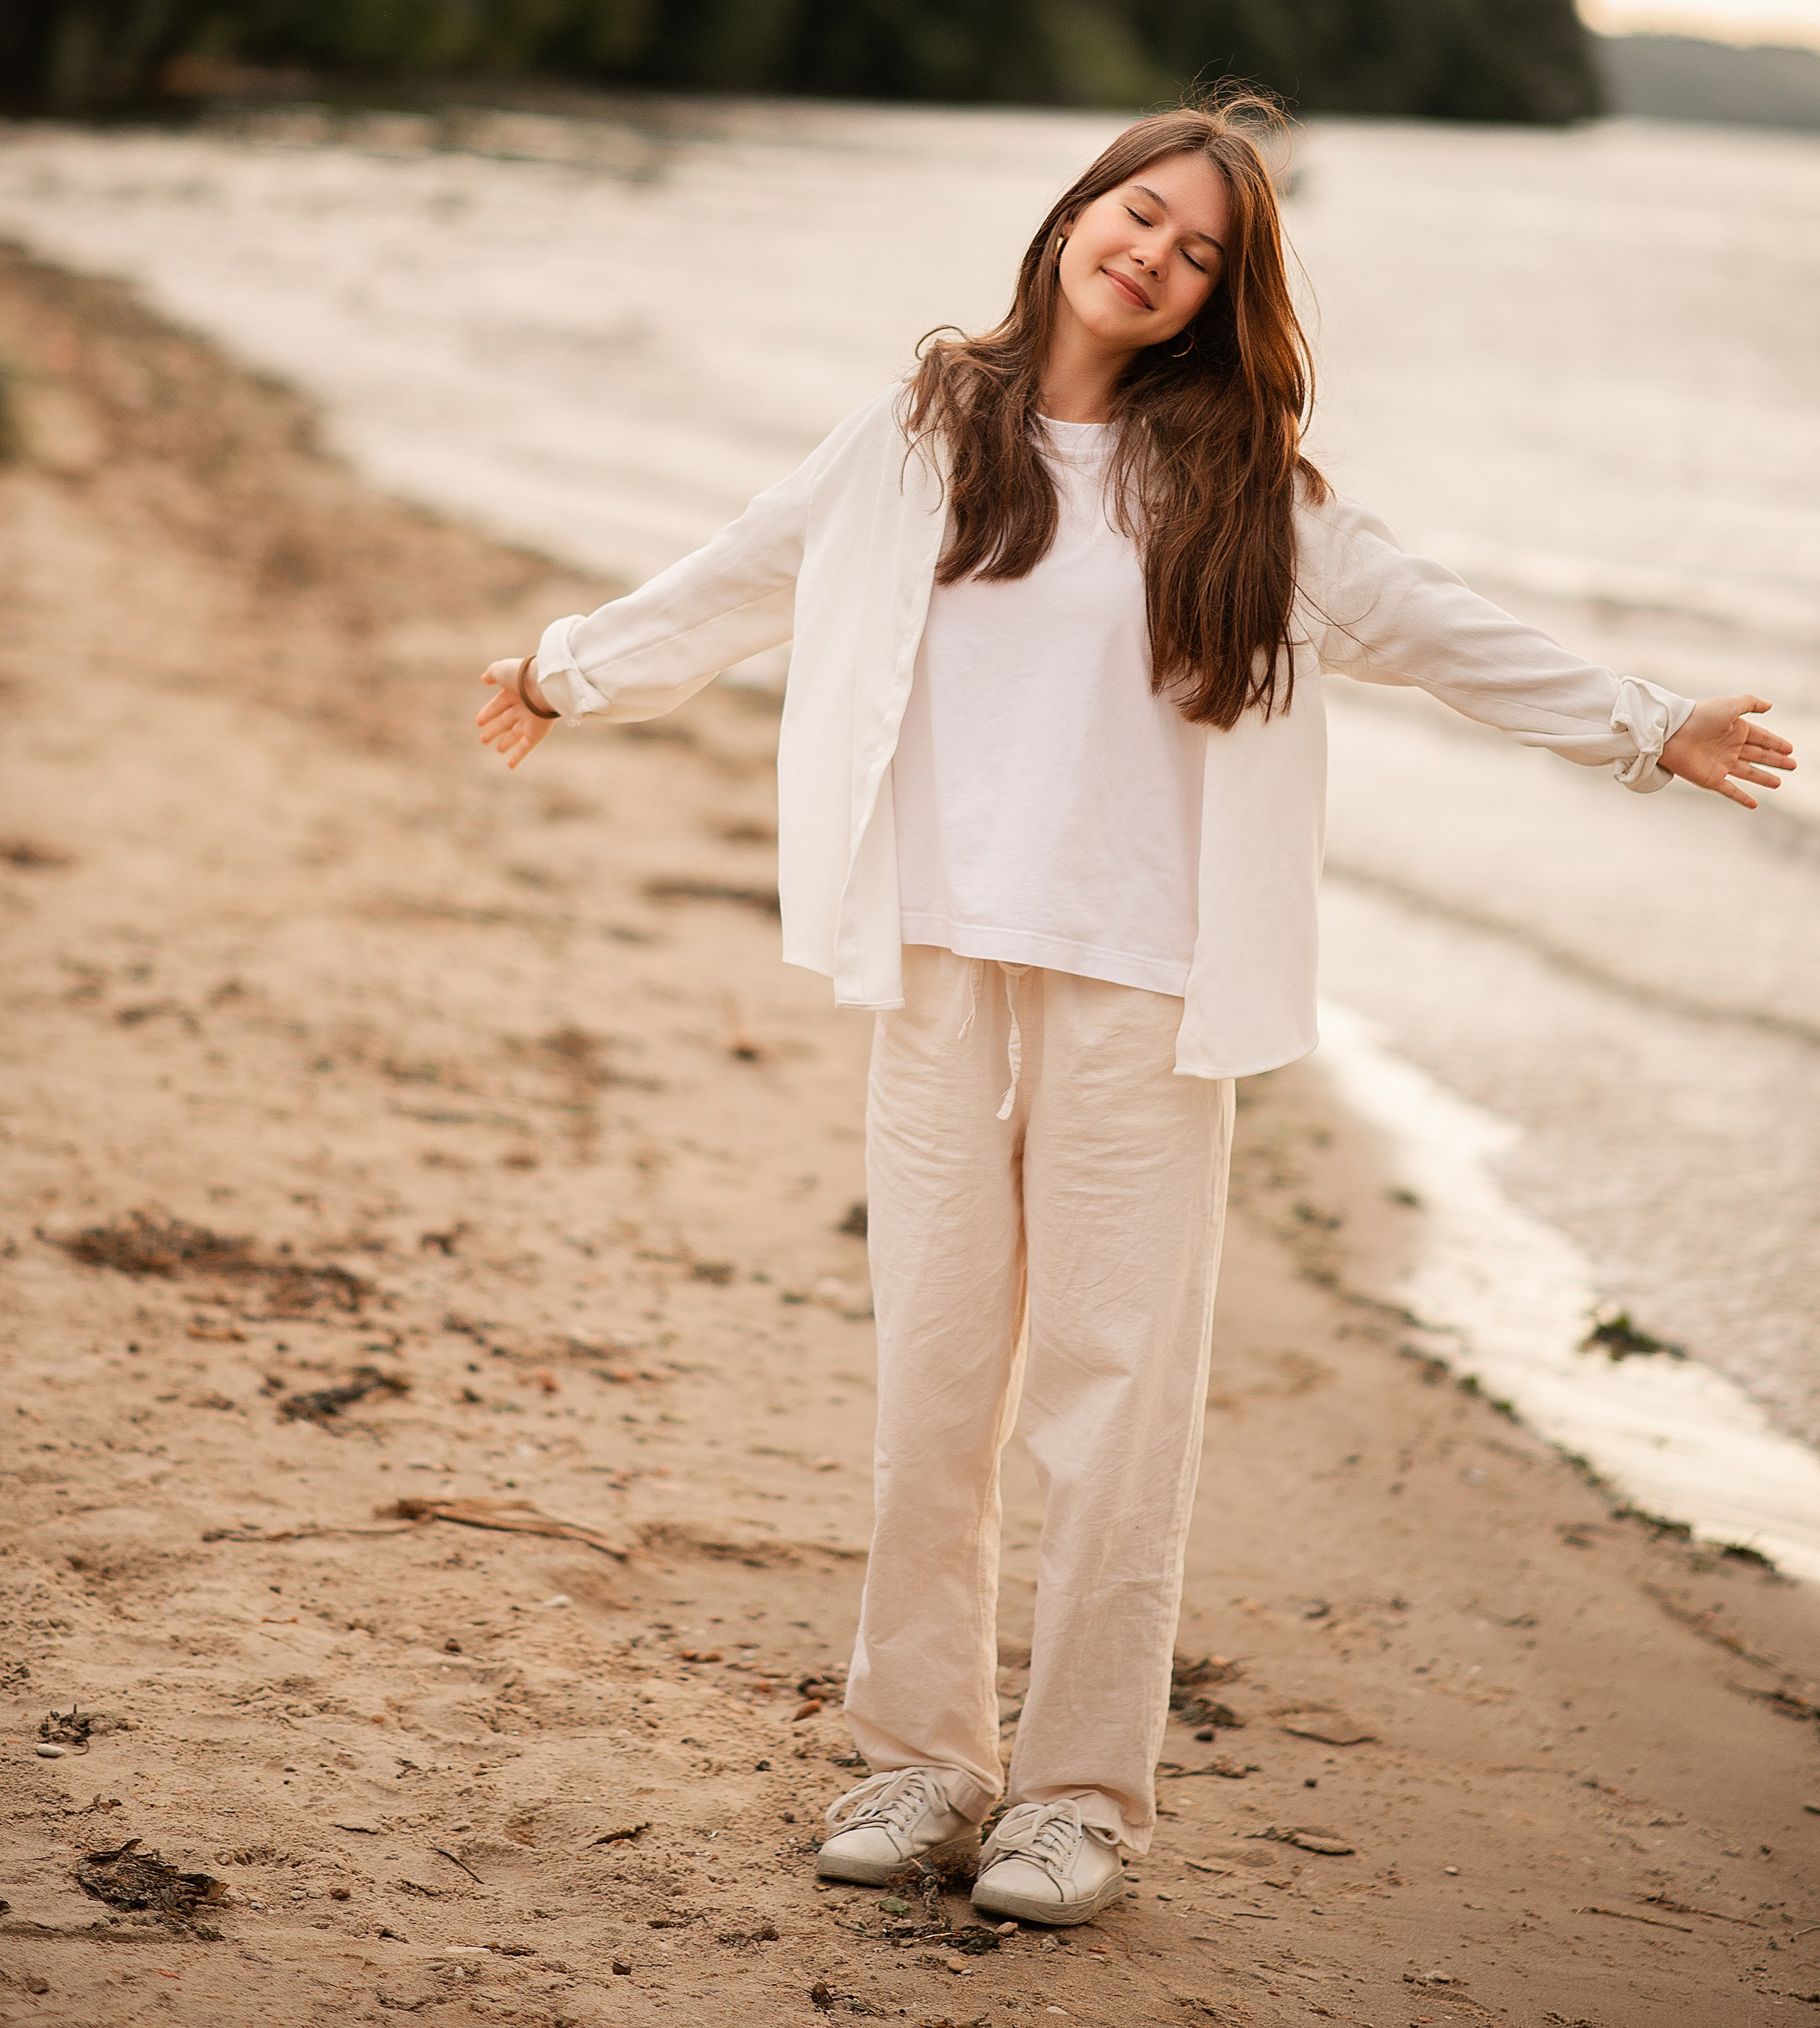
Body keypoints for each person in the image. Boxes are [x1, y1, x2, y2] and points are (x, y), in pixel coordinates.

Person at [475, 100, 1794, 1928]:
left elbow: (1435, 625)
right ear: (1076, 210)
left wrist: (1647, 720)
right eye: (1137, 212)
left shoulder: (1253, 494)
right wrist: (564, 666)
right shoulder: (922, 431)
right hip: (937, 958)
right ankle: (925, 1756)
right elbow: (750, 568)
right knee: (935, 1379)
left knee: (1112, 1395)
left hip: (1143, 985)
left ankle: (1080, 1794)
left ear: (1209, 302)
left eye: (1195, 253)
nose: (1151, 255)